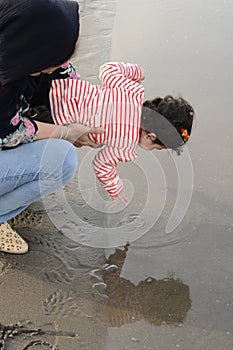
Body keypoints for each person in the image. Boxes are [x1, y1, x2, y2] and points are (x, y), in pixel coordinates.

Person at [0, 0, 104, 255]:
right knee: (61, 160)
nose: (61, 65)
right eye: (54, 58)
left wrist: (107, 116)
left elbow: (68, 81)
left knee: (56, 104)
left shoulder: (16, 41)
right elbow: (8, 134)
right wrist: (67, 133)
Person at [48, 61, 195, 204]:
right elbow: (101, 165)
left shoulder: (132, 91)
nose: (152, 150)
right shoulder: (126, 145)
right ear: (151, 136)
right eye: (156, 148)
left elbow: (107, 69)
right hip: (54, 118)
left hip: (58, 87)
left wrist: (138, 72)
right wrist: (115, 188)